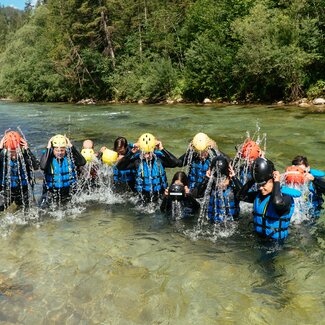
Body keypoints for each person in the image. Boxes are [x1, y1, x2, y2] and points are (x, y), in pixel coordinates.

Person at [237, 157, 300, 240]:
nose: (260, 188)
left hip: (276, 245)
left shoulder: (285, 197)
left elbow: (277, 202)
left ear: (273, 180)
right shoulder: (260, 196)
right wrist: (253, 179)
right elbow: (240, 196)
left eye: (263, 185)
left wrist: (277, 181)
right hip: (258, 239)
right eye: (259, 185)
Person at [116, 133, 179, 203]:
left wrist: (162, 149)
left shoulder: (159, 159)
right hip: (143, 199)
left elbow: (176, 163)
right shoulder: (137, 161)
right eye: (144, 152)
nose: (147, 155)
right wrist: (131, 153)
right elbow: (119, 167)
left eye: (149, 152)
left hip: (160, 196)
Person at [40, 134, 86, 206]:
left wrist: (71, 146)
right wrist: (48, 147)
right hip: (51, 192)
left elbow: (82, 162)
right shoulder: (48, 157)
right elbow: (42, 166)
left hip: (68, 191)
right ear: (53, 149)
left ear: (65, 149)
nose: (59, 153)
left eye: (62, 150)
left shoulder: (69, 156)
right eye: (57, 150)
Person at [0, 131, 39, 211]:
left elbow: (36, 166)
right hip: (6, 191)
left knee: (26, 212)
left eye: (16, 152)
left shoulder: (24, 156)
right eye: (11, 152)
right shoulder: (2, 157)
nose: (14, 155)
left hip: (22, 191)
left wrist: (27, 150)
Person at [197, 156, 242, 223]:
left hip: (230, 226)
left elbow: (244, 194)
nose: (220, 184)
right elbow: (198, 193)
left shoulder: (234, 188)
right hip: (212, 225)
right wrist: (206, 178)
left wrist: (234, 177)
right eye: (218, 180)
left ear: (229, 177)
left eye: (223, 179)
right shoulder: (211, 188)